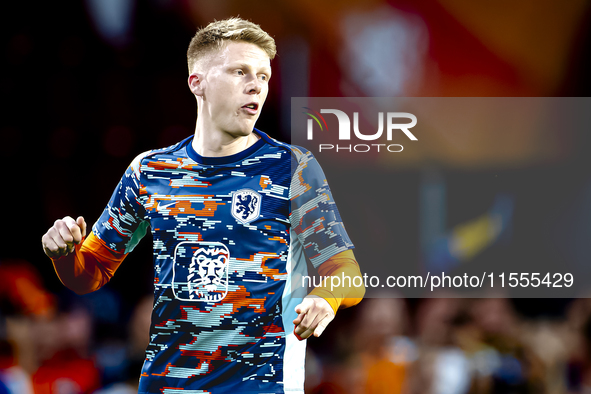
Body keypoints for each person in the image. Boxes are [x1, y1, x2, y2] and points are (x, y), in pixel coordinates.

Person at [41, 17, 364, 394]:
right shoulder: (151, 170)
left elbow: (346, 271)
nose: (255, 84)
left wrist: (326, 299)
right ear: (198, 82)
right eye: (240, 71)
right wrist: (63, 254)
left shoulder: (293, 168)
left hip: (260, 386)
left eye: (263, 76)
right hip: (168, 385)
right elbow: (89, 272)